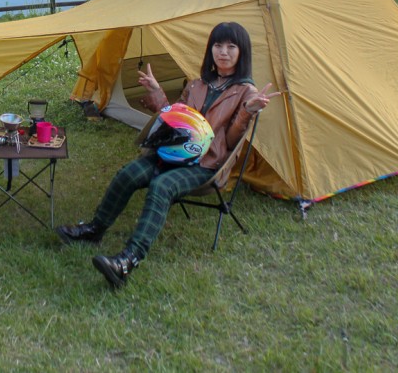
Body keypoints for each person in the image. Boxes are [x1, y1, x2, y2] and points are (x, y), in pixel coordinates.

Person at [56, 22, 279, 289]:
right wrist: (156, 92)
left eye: (232, 46)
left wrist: (248, 111)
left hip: (206, 165)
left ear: (242, 53)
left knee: (162, 185)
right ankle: (94, 230)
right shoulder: (197, 84)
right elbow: (174, 120)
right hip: (173, 154)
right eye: (218, 45)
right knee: (129, 173)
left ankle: (128, 260)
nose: (224, 52)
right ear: (211, 50)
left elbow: (231, 142)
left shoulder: (246, 92)